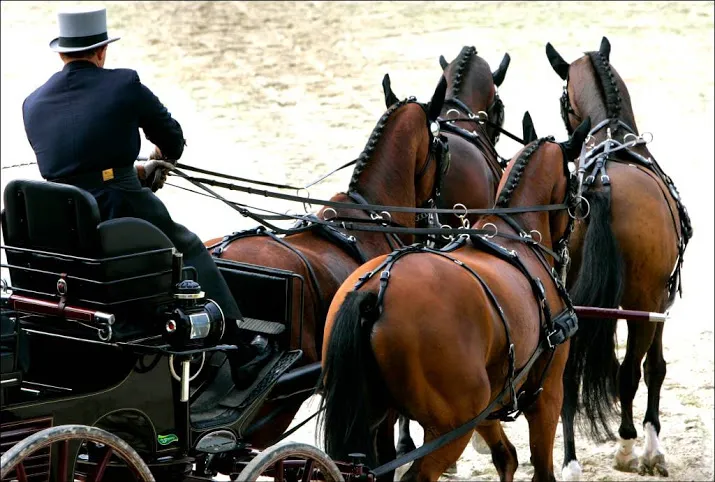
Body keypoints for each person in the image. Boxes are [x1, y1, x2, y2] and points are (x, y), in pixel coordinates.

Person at [21, 6, 272, 388]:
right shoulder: (124, 84)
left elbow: (76, 166)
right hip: (117, 206)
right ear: (102, 51)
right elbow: (171, 137)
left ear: (61, 53)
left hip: (63, 221)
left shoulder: (32, 103)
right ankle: (241, 347)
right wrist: (157, 161)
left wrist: (130, 172)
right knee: (187, 246)